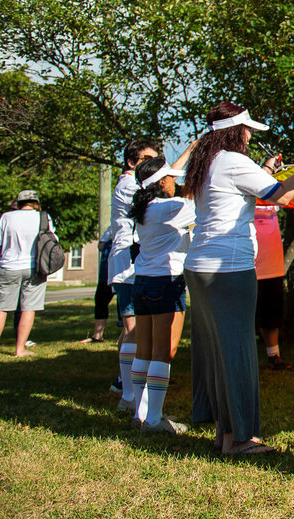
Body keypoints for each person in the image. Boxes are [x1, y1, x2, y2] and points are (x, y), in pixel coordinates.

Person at [184, 103, 294, 455]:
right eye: (247, 130)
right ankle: (240, 439)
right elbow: (283, 195)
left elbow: (240, 194)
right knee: (237, 351)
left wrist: (267, 170)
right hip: (228, 267)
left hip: (199, 266)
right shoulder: (234, 161)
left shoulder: (206, 161)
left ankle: (224, 432)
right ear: (236, 131)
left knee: (216, 351)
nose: (249, 136)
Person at [126, 152, 195, 432]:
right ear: (160, 181)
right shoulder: (168, 208)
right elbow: (202, 202)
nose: (173, 181)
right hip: (166, 282)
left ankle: (140, 413)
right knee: (164, 351)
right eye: (169, 177)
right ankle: (154, 419)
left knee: (143, 350)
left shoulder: (144, 208)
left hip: (142, 281)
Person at [106, 140, 162, 403]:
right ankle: (129, 394)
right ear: (132, 162)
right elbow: (150, 208)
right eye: (146, 159)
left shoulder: (136, 184)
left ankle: (124, 383)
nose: (153, 165)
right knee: (132, 328)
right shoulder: (129, 185)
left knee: (131, 328)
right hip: (128, 261)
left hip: (132, 260)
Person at [0, 190, 53, 358]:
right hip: (34, 267)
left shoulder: (7, 217)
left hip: (8, 266)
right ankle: (19, 348)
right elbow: (51, 240)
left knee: (1, 307)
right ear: (36, 202)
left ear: (19, 202)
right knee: (28, 308)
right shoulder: (43, 217)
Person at [253, 204, 294, 370]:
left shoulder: (271, 191)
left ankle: (274, 355)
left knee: (271, 315)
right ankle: (243, 358)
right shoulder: (244, 188)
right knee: (248, 316)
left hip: (272, 264)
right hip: (249, 265)